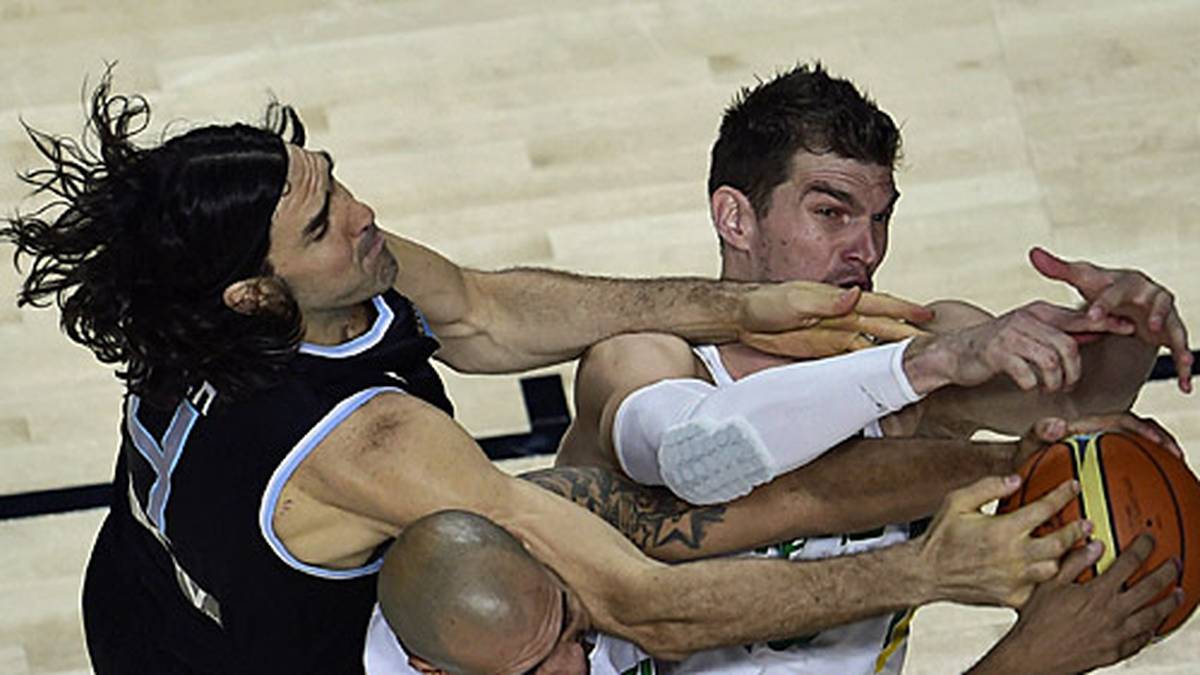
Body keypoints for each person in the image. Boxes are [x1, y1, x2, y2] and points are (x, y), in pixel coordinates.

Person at [0, 71, 1075, 674]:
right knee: (565, 578)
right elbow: (645, 607)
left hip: (147, 589)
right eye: (325, 221)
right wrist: (925, 576)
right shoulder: (373, 445)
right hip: (239, 662)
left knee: (599, 507)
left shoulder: (199, 292)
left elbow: (483, 310)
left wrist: (735, 305)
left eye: (333, 184)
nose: (366, 217)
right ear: (256, 297)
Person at [554, 63, 1191, 672]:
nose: (867, 248)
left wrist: (1129, 330)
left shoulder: (928, 346)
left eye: (880, 217)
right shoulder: (642, 355)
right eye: (830, 212)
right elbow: (699, 453)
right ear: (736, 217)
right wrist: (921, 365)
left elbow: (1076, 415)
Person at [365, 507, 1183, 674]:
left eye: (573, 633)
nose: (573, 672)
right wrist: (1030, 660)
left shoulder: (495, 583)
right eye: (533, 671)